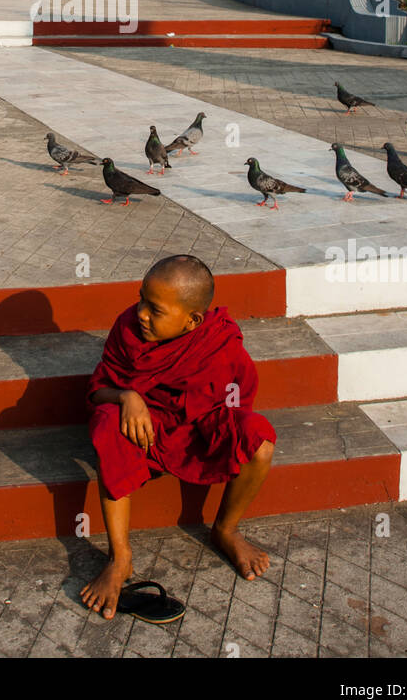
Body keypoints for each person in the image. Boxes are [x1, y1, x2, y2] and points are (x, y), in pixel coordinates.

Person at [80, 254, 276, 619]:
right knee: (109, 425)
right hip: (144, 425)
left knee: (259, 440)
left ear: (193, 321)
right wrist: (126, 395)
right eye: (141, 300)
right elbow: (96, 390)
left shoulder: (218, 341)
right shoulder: (127, 329)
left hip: (197, 427)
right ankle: (119, 557)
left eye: (154, 310)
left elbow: (240, 397)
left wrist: (213, 426)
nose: (141, 313)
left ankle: (226, 530)